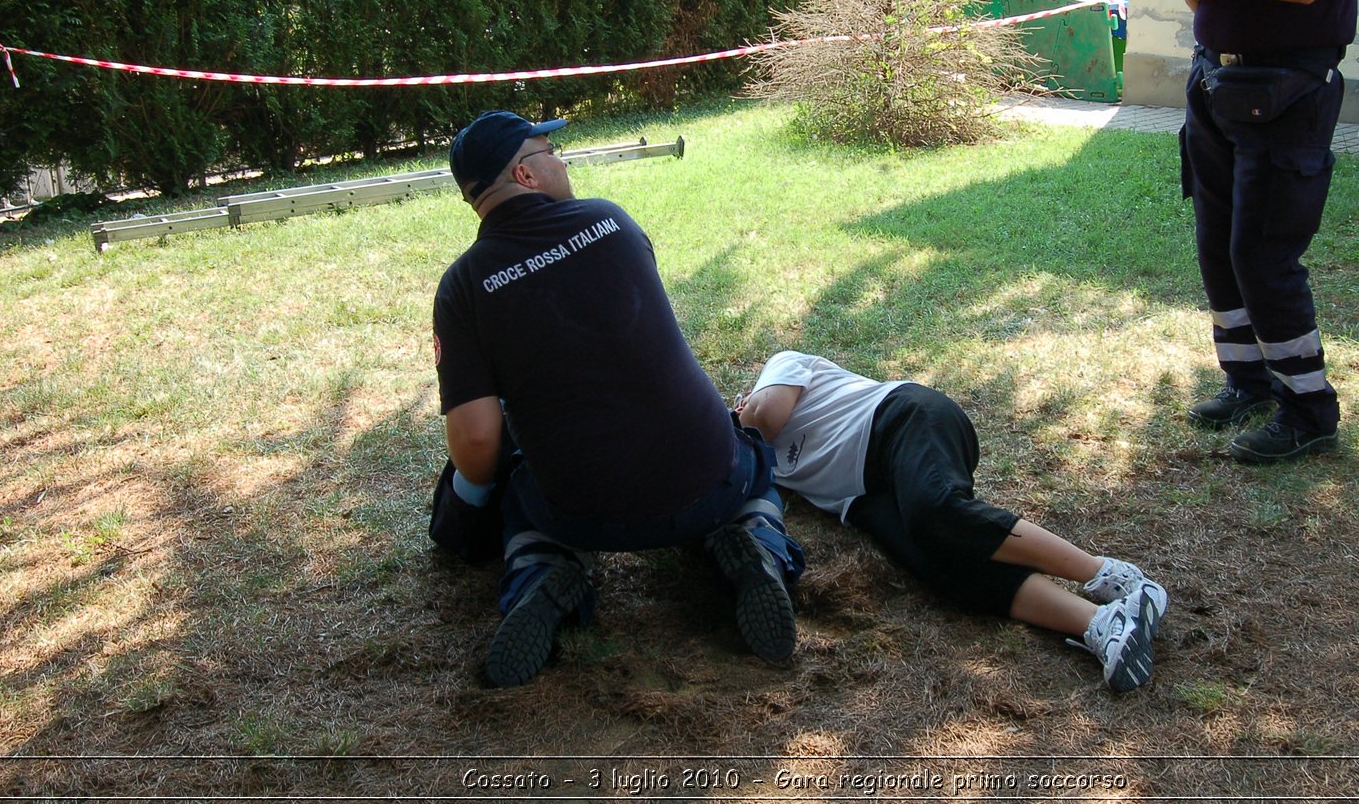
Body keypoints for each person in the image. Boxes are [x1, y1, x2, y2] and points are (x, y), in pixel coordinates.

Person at [429, 110, 803, 687]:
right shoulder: (610, 221)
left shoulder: (463, 286)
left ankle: (541, 572)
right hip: (706, 480)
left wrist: (467, 503)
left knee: (522, 495)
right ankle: (754, 540)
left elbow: (477, 439)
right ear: (525, 174)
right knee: (749, 458)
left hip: (581, 512)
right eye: (550, 151)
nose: (562, 160)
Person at [1134, 0, 1359, 465]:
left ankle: (1309, 409)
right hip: (1217, 88)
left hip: (1286, 92)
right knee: (1216, 241)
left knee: (1262, 252)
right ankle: (1248, 380)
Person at [736, 351, 1167, 692]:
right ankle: (1102, 624)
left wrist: (742, 419)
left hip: (897, 420)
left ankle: (1115, 577)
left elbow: (767, 416)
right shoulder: (760, 466)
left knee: (937, 512)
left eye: (736, 407)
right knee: (946, 572)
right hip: (865, 500)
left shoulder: (781, 365)